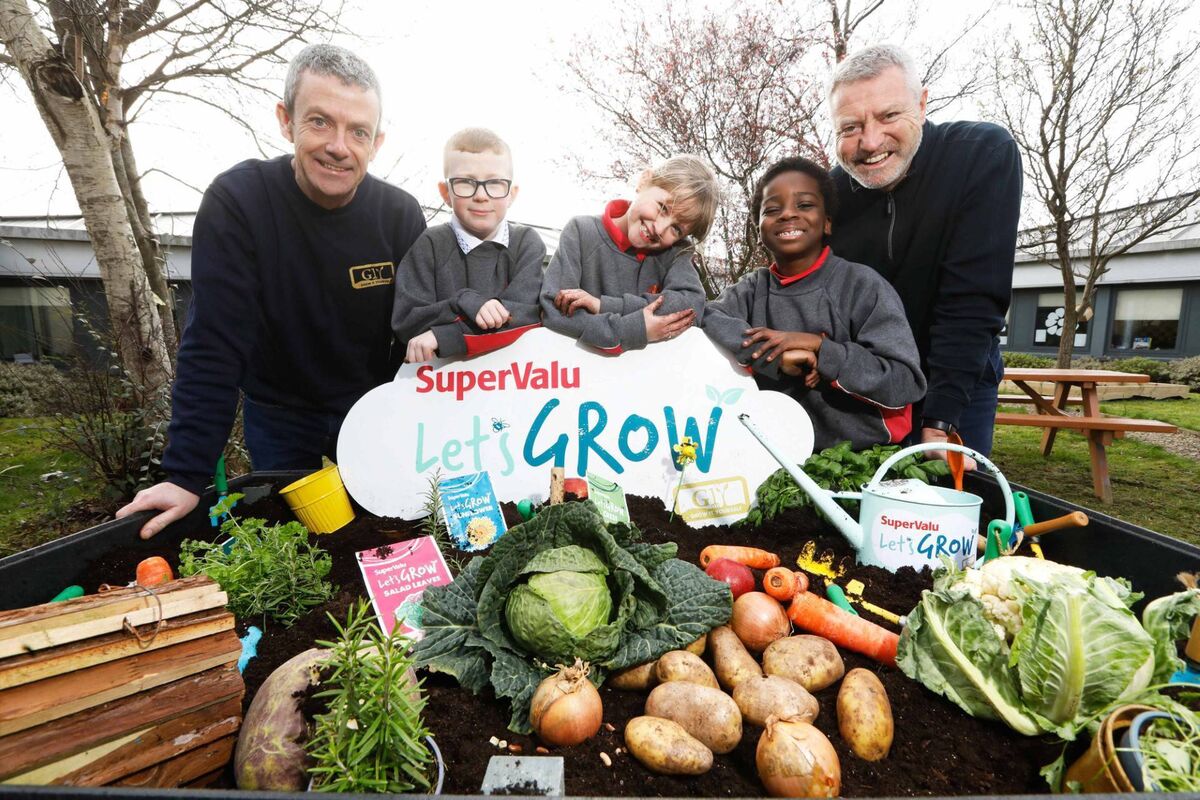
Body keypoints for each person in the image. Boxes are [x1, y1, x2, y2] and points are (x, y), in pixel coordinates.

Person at [116, 44, 426, 539]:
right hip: (280, 414)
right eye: (320, 122)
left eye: (358, 131)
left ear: (377, 142)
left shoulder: (400, 215)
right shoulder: (240, 203)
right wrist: (186, 473)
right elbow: (214, 341)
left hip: (372, 408)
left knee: (385, 535)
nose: (339, 146)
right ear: (286, 120)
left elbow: (423, 327)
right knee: (290, 545)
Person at [827, 44, 1021, 460]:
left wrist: (941, 419)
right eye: (850, 127)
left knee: (947, 495)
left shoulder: (981, 154)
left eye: (889, 115)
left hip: (958, 380)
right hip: (868, 387)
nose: (870, 142)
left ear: (921, 103)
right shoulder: (831, 194)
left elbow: (971, 300)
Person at [703, 157, 926, 450]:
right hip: (773, 455)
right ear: (759, 229)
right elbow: (705, 317)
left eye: (805, 205)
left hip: (862, 457)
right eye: (772, 210)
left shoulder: (862, 286)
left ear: (827, 223)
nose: (787, 214)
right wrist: (774, 356)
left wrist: (820, 349)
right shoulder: (751, 289)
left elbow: (905, 381)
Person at [392, 128, 546, 362]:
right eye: (465, 182)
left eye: (495, 183)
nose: (481, 196)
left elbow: (527, 316)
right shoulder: (430, 244)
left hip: (516, 376)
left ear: (512, 194)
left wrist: (446, 336)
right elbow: (407, 320)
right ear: (445, 192)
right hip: (445, 379)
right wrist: (463, 302)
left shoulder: (526, 243)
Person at [540, 155, 718, 354]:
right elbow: (553, 313)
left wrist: (603, 306)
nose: (660, 228)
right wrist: (635, 330)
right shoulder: (581, 232)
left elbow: (691, 307)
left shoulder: (675, 252)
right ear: (644, 181)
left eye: (676, 229)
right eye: (662, 208)